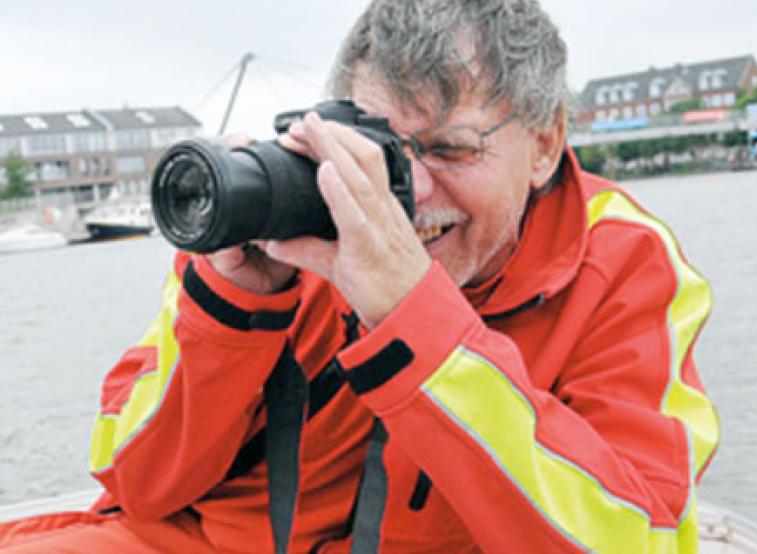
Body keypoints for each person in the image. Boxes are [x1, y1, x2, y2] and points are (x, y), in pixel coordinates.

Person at [0, 1, 719, 552]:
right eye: (380, 147)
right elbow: (136, 479)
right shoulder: (293, 212)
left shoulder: (625, 260)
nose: (407, 192)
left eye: (449, 149)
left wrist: (417, 322)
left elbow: (635, 535)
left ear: (544, 143)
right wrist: (235, 308)